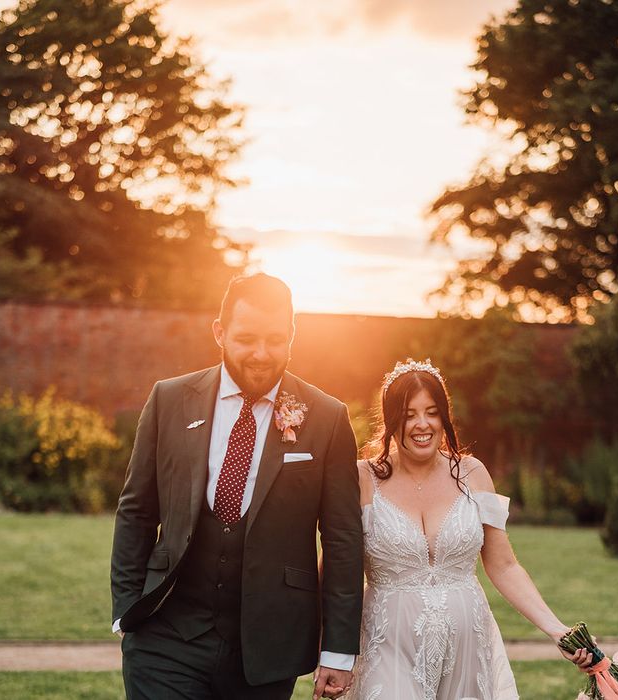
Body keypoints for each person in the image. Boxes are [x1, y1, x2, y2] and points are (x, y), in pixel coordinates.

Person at [110, 273, 364, 700]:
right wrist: (126, 609)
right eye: (246, 339)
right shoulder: (170, 400)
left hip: (268, 647)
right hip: (165, 637)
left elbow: (342, 538)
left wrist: (338, 650)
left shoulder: (327, 417)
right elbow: (136, 509)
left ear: (292, 337)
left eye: (275, 339)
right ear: (220, 333)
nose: (261, 354)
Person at [348, 359, 593, 700]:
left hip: (467, 647)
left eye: (432, 412)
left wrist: (557, 630)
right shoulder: (363, 478)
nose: (423, 424)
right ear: (392, 420)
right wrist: (329, 652)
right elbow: (334, 567)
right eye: (409, 414)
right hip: (388, 644)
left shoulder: (472, 473)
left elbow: (504, 564)